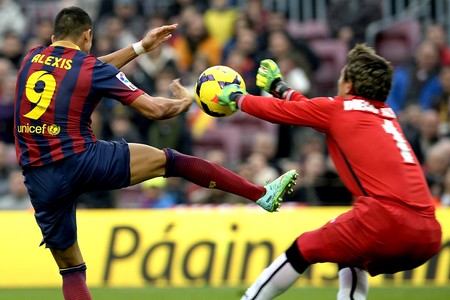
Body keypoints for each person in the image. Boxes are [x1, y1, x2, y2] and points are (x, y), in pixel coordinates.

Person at [13, 7, 298, 300]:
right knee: (171, 161)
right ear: (88, 36)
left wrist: (140, 48)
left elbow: (86, 68)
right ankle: (259, 193)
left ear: (53, 37)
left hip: (40, 176)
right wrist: (182, 102)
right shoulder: (88, 67)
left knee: (71, 269)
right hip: (83, 159)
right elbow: (154, 109)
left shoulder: (30, 58)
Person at [218, 44, 442, 299]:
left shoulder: (339, 110)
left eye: (341, 76)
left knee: (303, 248)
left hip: (385, 220)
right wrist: (279, 88)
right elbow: (314, 109)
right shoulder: (386, 114)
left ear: (348, 85)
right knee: (351, 254)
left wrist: (238, 98)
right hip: (427, 232)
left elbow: (285, 112)